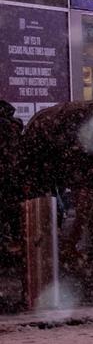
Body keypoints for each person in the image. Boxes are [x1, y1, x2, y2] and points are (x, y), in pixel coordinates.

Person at [0, 101, 24, 256]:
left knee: (7, 209)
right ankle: (16, 240)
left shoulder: (6, 126)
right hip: (12, 175)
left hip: (7, 175)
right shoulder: (14, 127)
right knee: (13, 209)